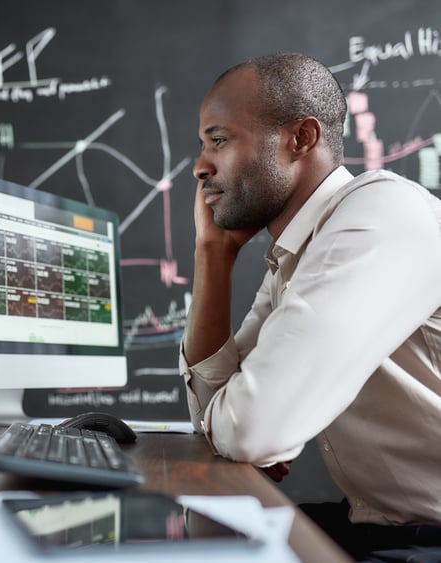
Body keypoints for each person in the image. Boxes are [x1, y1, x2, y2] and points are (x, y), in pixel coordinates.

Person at [180, 52, 441, 561]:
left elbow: (252, 430)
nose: (199, 166)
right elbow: (214, 417)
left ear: (300, 138)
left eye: (219, 139)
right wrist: (212, 253)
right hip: (384, 526)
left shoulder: (381, 216)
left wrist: (251, 423)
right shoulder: (298, 256)